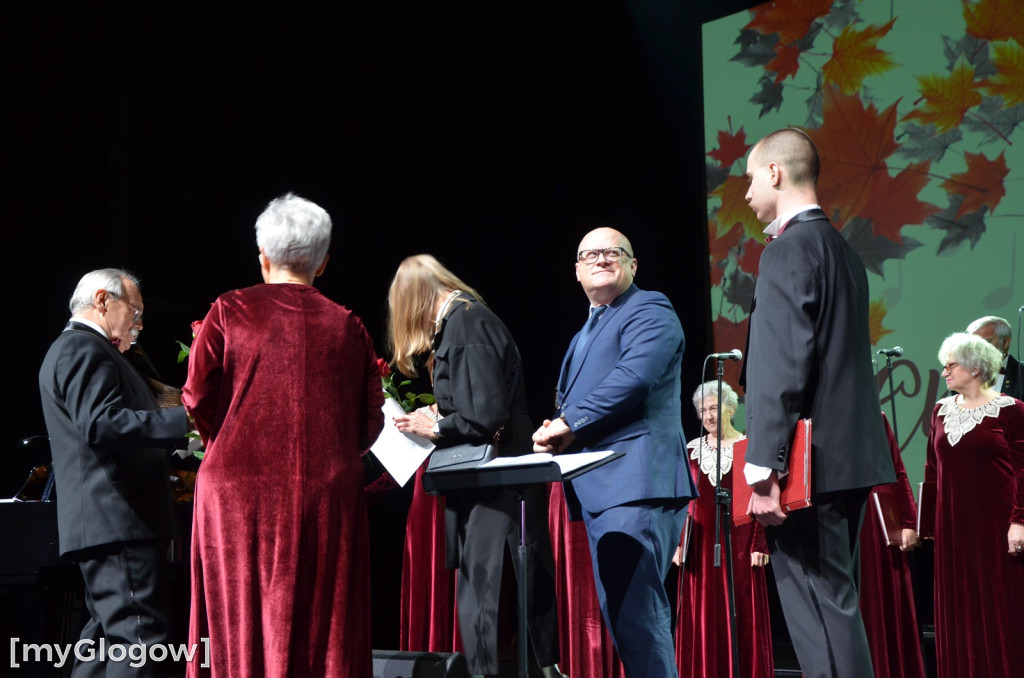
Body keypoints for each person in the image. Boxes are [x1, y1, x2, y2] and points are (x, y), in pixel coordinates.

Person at [183, 194, 384, 677]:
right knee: (324, 621)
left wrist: (229, 443)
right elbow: (371, 422)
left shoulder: (230, 310)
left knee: (237, 618)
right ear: (324, 262)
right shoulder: (348, 326)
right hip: (325, 495)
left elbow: (195, 396)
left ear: (262, 255)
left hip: (235, 496)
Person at [740, 128, 895, 678]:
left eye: (752, 177)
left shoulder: (788, 250)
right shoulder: (841, 249)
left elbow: (782, 365)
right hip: (845, 459)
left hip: (809, 468)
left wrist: (762, 470)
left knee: (818, 609)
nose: (746, 192)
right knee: (836, 602)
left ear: (776, 174)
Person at [387, 254, 562, 678]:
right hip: (493, 475)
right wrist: (440, 413)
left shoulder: (465, 323)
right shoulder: (467, 321)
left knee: (485, 589)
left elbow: (484, 414)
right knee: (493, 588)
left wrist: (436, 426)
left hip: (495, 479)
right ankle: (537, 667)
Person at [532, 227, 697, 678]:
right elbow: (582, 399)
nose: (602, 259)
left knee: (639, 618)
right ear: (577, 271)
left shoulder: (649, 307)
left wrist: (569, 423)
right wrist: (559, 424)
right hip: (603, 487)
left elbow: (634, 377)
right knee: (626, 619)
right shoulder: (588, 327)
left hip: (636, 481)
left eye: (613, 252)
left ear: (633, 265)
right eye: (591, 254)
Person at [38, 268, 188, 677]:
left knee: (107, 643)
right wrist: (187, 422)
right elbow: (102, 425)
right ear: (103, 300)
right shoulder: (84, 348)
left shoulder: (80, 349)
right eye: (135, 314)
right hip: (121, 522)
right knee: (140, 641)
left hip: (109, 523)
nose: (137, 327)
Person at [924, 332, 1024, 677]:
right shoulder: (940, 410)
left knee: (1000, 607)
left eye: (951, 364)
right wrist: (927, 525)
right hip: (952, 527)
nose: (945, 371)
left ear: (976, 368)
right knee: (958, 609)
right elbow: (931, 471)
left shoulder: (1011, 410)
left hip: (997, 527)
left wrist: (1019, 521)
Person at [674, 381, 772, 678]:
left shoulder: (748, 447)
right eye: (703, 410)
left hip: (741, 542)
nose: (708, 415)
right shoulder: (690, 450)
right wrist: (678, 543)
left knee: (741, 608)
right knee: (702, 613)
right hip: (699, 545)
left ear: (731, 408)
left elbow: (763, 496)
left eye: (714, 408)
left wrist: (760, 543)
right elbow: (680, 502)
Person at [858, 412, 925, 678]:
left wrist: (909, 521)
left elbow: (897, 468)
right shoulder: (808, 417)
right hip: (832, 518)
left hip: (876, 519)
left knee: (880, 597)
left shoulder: (875, 416)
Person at [967, 315, 1021, 399]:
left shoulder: (1021, 373)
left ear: (1005, 342)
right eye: (974, 343)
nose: (977, 348)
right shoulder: (963, 373)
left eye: (986, 341)